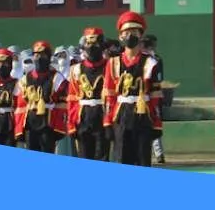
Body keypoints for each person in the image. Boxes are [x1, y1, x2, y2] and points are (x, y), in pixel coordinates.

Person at [105, 11, 163, 166]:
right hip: (120, 114)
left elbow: (156, 96)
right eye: (126, 32)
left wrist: (157, 123)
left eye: (134, 32)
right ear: (120, 37)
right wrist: (107, 121)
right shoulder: (113, 63)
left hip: (143, 115)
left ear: (141, 35)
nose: (130, 35)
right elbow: (109, 94)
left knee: (142, 158)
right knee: (121, 158)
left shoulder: (151, 63)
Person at [14, 41, 69, 153]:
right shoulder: (25, 78)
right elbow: (20, 103)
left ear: (48, 57)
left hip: (48, 123)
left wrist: (56, 123)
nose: (38, 58)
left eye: (42, 55)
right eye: (36, 55)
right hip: (30, 123)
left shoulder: (57, 77)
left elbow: (64, 101)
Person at [68, 27, 111, 161]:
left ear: (102, 45)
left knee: (102, 157)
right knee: (83, 157)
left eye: (95, 43)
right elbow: (72, 98)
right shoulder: (76, 69)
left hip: (102, 116)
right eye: (88, 43)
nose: (91, 47)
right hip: (83, 117)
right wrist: (71, 123)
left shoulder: (110, 66)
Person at [142, 34, 167, 164]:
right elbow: (160, 79)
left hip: (144, 97)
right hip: (152, 96)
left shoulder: (139, 58)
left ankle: (157, 154)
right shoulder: (156, 59)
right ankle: (159, 154)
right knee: (154, 123)